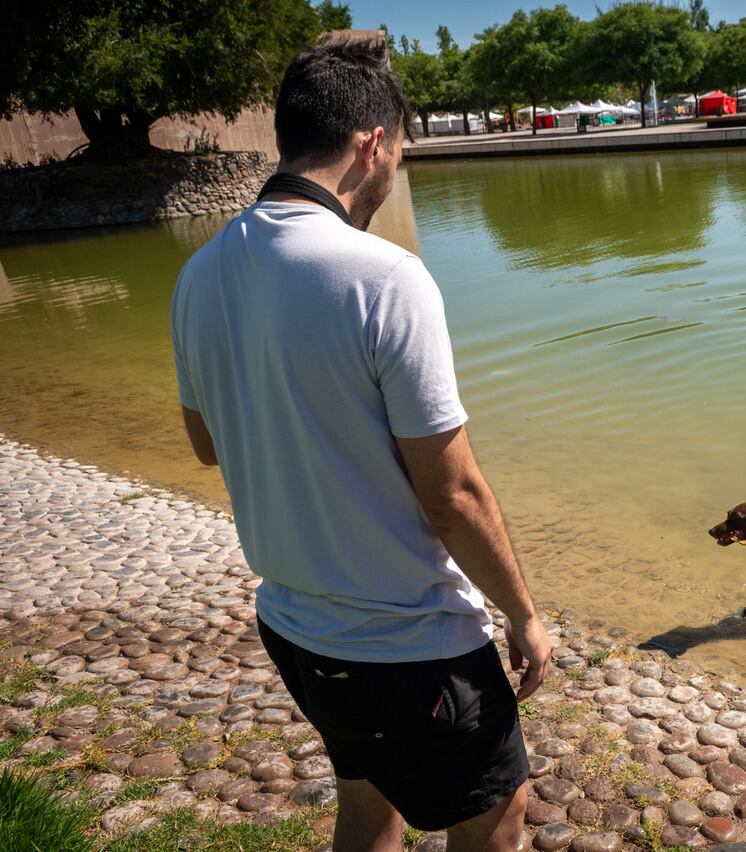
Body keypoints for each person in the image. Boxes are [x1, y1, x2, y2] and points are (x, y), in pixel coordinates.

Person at [170, 35, 551, 852]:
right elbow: (451, 493)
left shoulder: (198, 275)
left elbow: (207, 445)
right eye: (399, 154)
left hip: (296, 627)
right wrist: (522, 614)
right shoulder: (385, 276)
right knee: (497, 809)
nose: (393, 176)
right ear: (371, 143)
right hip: (407, 641)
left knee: (369, 806)